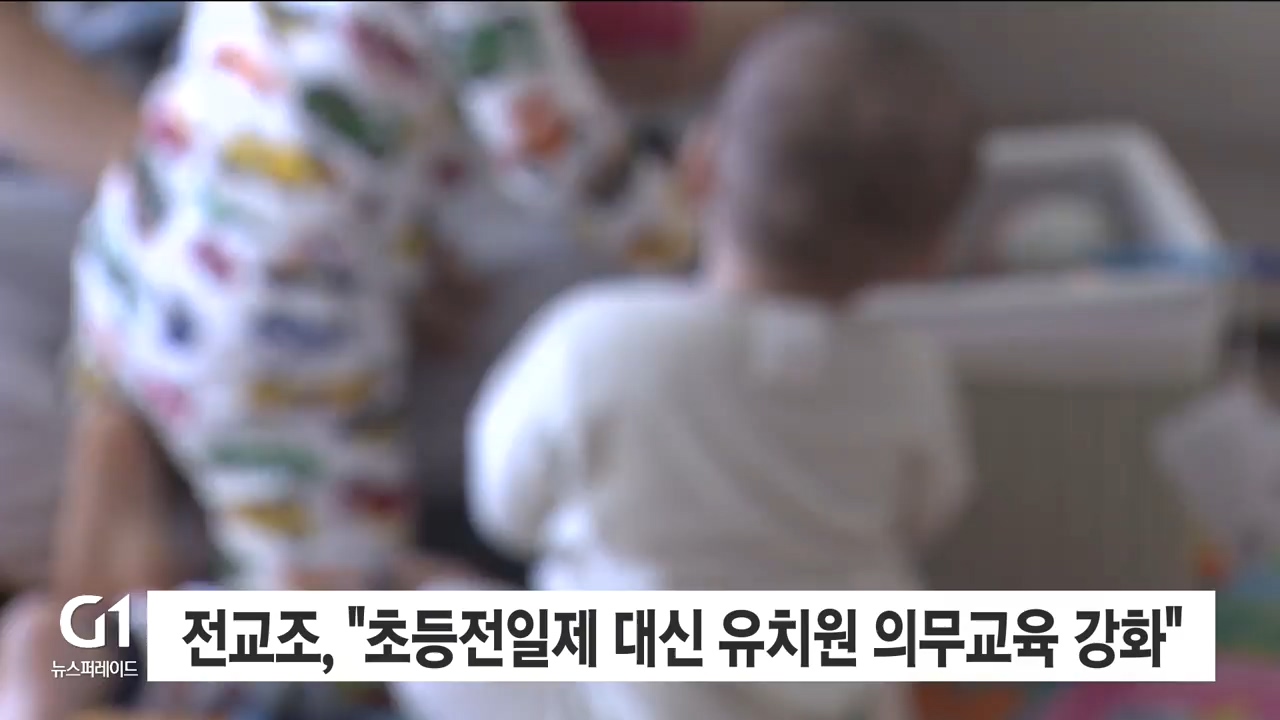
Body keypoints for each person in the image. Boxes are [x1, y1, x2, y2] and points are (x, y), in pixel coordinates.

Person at [392, 12, 982, 720]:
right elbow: (927, 509)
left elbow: (505, 508)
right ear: (929, 257)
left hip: (620, 700)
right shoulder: (911, 374)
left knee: (416, 619)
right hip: (834, 701)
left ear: (699, 168)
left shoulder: (593, 340)